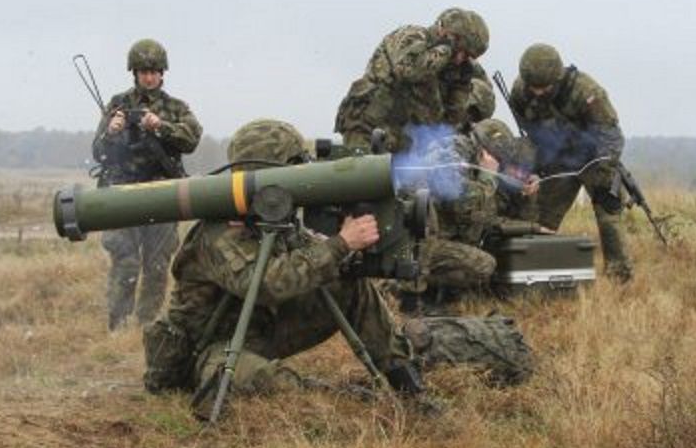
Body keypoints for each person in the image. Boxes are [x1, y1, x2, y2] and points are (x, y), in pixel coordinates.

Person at [141, 119, 534, 410]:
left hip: (260, 331)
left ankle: (405, 384)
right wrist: (340, 243)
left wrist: (337, 246)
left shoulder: (269, 217)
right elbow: (266, 285)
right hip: (210, 352)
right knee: (276, 389)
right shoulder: (218, 233)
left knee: (349, 286)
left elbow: (304, 261)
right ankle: (338, 400)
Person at [92, 38, 202, 329]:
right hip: (122, 195)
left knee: (156, 266)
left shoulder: (176, 107)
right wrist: (112, 131)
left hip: (162, 195)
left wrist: (160, 126)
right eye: (143, 71)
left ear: (162, 73)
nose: (149, 77)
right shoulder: (117, 105)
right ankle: (118, 325)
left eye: (154, 71)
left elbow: (191, 139)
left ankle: (147, 327)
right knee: (125, 262)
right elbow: (98, 151)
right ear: (135, 73)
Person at [509, 43, 633, 282]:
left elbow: (612, 137)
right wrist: (536, 168)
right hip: (558, 161)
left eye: (543, 88)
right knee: (541, 219)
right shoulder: (519, 92)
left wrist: (604, 171)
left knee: (608, 210)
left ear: (556, 79)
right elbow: (530, 133)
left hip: (595, 159)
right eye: (532, 88)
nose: (537, 94)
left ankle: (619, 277)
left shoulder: (587, 91)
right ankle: (534, 274)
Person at [401, 118, 531, 305]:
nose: (498, 164)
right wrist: (488, 177)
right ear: (486, 151)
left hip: (425, 239)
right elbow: (465, 207)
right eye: (497, 157)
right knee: (483, 265)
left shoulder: (462, 152)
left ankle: (429, 289)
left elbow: (484, 215)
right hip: (416, 245)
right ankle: (403, 287)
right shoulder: (452, 156)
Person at [334, 8, 492, 153]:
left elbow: (452, 118)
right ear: (446, 34)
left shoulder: (460, 68)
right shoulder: (413, 36)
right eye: (460, 51)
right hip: (369, 125)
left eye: (467, 56)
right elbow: (411, 71)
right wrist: (445, 48)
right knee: (364, 178)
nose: (459, 59)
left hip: (405, 137)